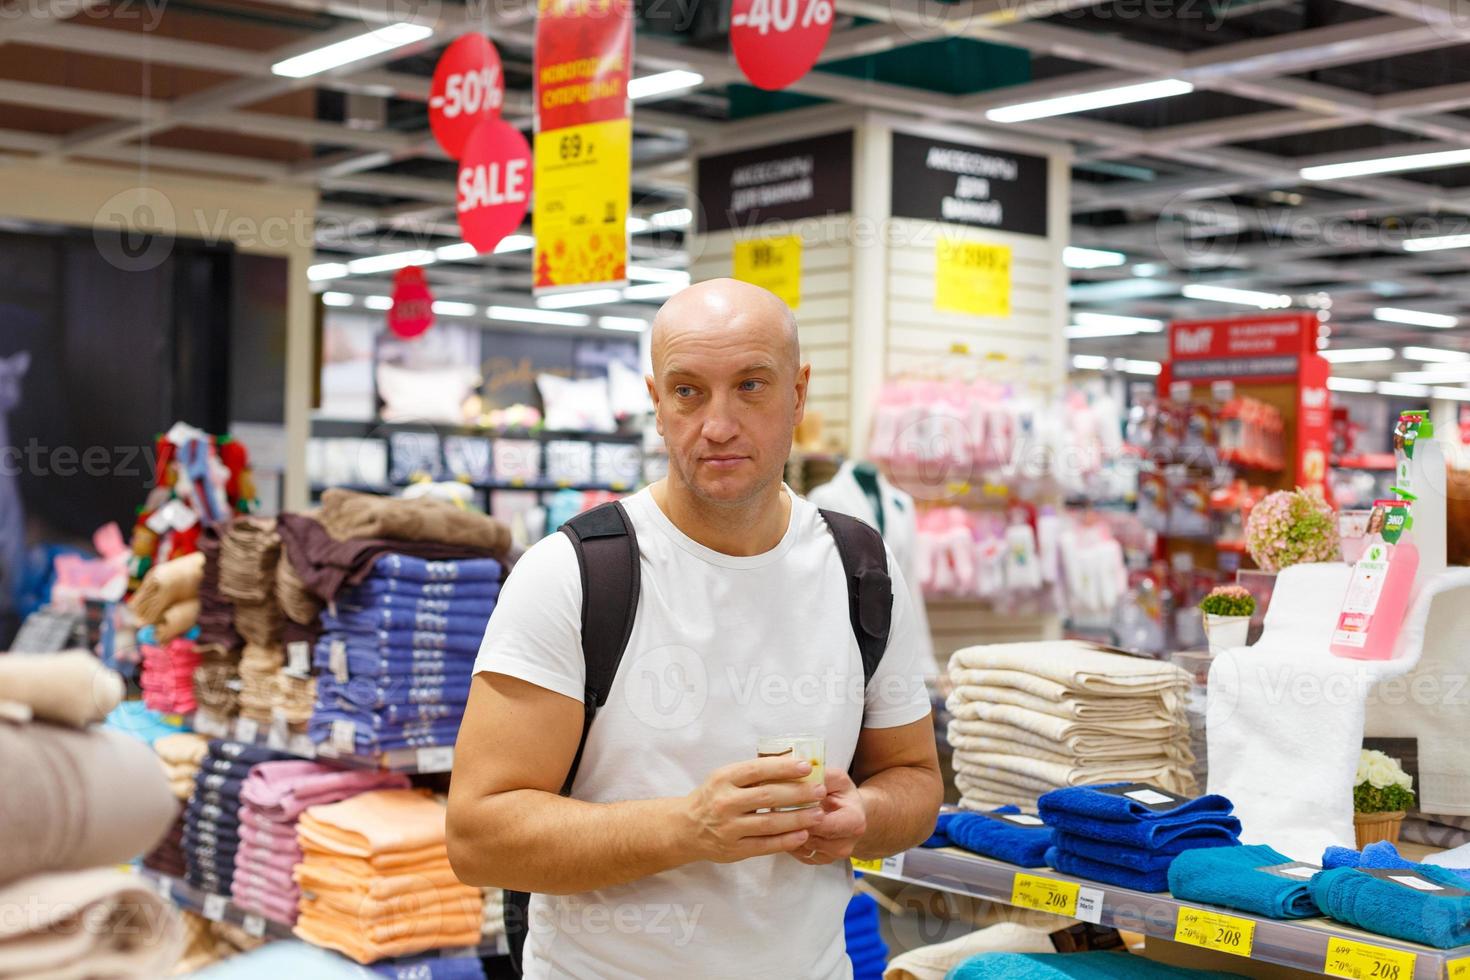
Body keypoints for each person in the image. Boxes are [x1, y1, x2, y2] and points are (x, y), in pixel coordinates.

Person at [447, 278, 942, 978]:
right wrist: (687, 828)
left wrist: (864, 814)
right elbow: (477, 835)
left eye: (750, 386)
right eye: (687, 391)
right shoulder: (572, 575)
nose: (717, 424)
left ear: (798, 393)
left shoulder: (861, 566)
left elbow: (915, 780)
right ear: (655, 401)